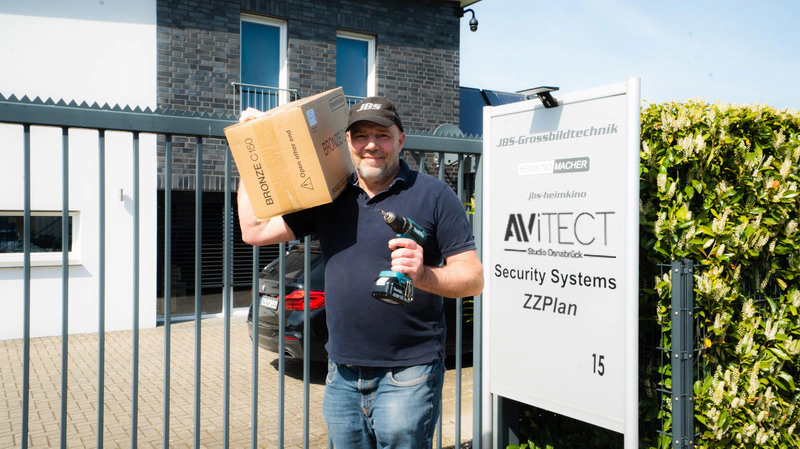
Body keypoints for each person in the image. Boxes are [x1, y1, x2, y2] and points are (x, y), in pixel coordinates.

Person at [237, 96, 483, 448]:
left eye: (382, 135)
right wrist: (251, 150)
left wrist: (425, 274)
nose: (371, 145)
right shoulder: (328, 196)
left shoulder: (434, 195)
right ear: (348, 143)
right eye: (360, 136)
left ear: (400, 140)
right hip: (341, 373)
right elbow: (255, 230)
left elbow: (473, 277)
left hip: (409, 373)